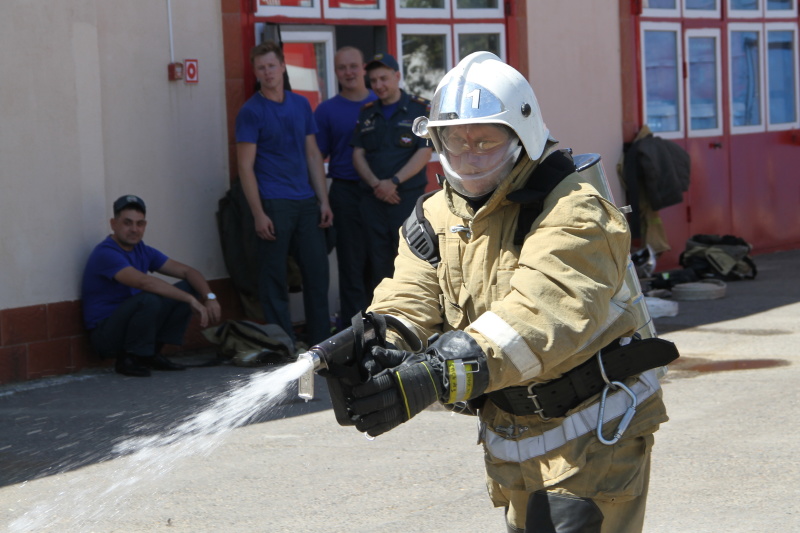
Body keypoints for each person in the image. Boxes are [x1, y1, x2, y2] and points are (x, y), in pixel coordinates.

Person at [343, 52, 673, 532]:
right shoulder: (435, 217)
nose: (470, 158)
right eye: (455, 143)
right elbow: (409, 297)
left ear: (523, 140)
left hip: (597, 432)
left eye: (486, 143)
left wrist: (438, 374)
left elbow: (543, 314)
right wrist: (380, 346)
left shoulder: (576, 210)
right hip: (511, 434)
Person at [235, 40, 333, 348]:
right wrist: (258, 213)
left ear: (282, 67)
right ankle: (283, 344)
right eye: (261, 67)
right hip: (273, 203)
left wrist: (324, 200)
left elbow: (313, 155)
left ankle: (321, 342)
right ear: (256, 72)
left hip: (306, 202)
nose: (268, 72)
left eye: (272, 66)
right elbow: (245, 167)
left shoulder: (300, 104)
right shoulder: (250, 112)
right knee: (273, 277)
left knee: (317, 273)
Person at [82, 195, 222, 377]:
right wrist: (189, 300)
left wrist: (210, 297)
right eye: (127, 223)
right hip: (106, 335)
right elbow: (144, 282)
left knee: (190, 286)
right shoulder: (106, 253)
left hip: (132, 327)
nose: (134, 229)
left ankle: (151, 354)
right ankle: (128, 359)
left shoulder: (143, 250)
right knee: (149, 298)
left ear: (145, 226)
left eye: (139, 224)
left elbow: (189, 272)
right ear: (113, 224)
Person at [351, 52, 432, 291]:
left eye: (383, 78)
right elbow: (358, 154)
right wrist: (378, 185)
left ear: (397, 76)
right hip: (374, 201)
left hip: (405, 200)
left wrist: (393, 181)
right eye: (373, 80)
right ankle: (381, 320)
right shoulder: (367, 112)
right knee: (377, 264)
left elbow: (424, 152)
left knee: (411, 259)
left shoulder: (419, 109)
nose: (378, 85)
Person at [315, 46, 377, 324]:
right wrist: (323, 200)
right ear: (336, 72)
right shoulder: (327, 110)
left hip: (381, 195)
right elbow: (315, 157)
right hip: (345, 192)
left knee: (382, 266)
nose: (349, 72)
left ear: (363, 67)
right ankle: (353, 339)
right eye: (342, 68)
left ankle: (385, 330)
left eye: (353, 66)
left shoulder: (382, 102)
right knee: (351, 269)